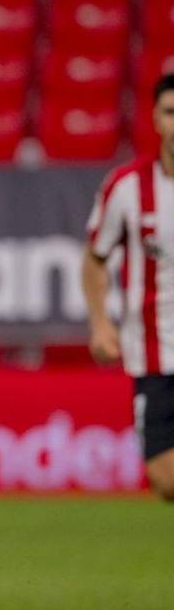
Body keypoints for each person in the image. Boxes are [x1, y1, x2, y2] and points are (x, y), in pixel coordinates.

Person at [81, 73, 174, 502]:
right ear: (155, 119)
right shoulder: (127, 187)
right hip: (153, 355)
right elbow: (95, 258)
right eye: (170, 112)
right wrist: (100, 323)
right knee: (164, 481)